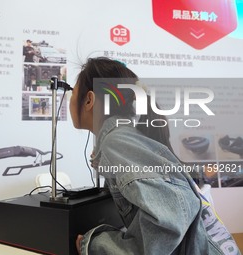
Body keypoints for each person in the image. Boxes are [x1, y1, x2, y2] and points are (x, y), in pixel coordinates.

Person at [69, 57, 240, 255]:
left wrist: (94, 245)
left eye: (73, 92)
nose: (71, 99)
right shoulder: (127, 137)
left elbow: (169, 222)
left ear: (89, 100)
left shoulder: (118, 142)